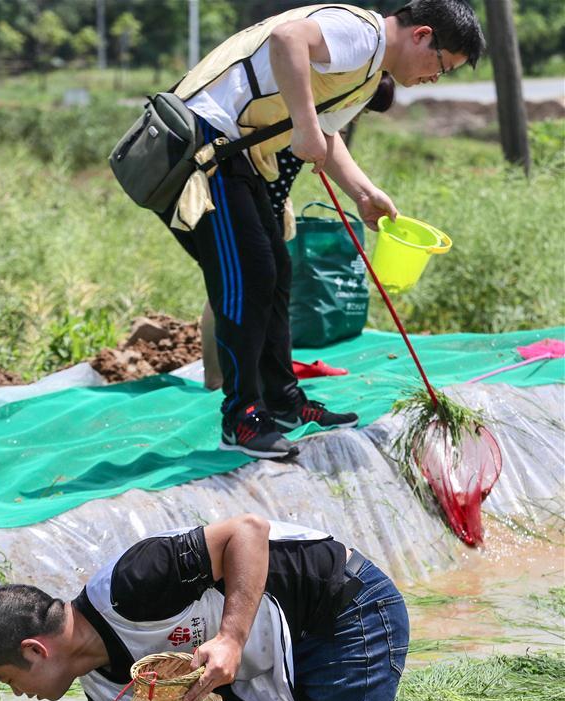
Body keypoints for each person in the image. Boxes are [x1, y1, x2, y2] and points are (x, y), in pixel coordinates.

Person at [153, 1, 484, 459]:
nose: (434, 77)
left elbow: (326, 135)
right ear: (422, 35)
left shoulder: (367, 72)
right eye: (442, 66)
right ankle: (241, 417)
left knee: (276, 272)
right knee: (248, 278)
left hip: (238, 155)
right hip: (206, 142)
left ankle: (283, 401)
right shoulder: (363, 33)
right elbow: (288, 38)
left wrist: (364, 193)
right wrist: (304, 125)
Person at [0, 514, 409, 701]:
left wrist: (231, 638)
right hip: (273, 657)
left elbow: (247, 531)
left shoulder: (133, 583)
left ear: (34, 650)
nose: (19, 694)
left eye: (8, 681)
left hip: (342, 609)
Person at [201, 72, 397, 391]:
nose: (357, 114)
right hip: (247, 197)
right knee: (232, 290)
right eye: (361, 106)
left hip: (270, 205)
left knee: (261, 288)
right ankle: (217, 378)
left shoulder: (321, 115)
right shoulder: (309, 106)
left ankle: (259, 375)